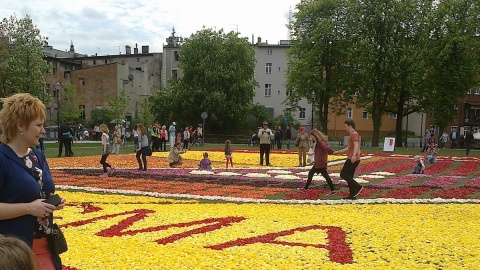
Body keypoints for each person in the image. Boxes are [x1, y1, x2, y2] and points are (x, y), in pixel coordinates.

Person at [0, 93, 66, 270]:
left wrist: (51, 203)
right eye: (38, 125)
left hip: (47, 246)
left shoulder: (39, 157)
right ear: (20, 125)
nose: (43, 131)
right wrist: (29, 208)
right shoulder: (2, 158)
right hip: (13, 254)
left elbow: (41, 192)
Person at [333, 119, 363, 200]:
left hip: (352, 158)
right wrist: (338, 152)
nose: (344, 128)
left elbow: (356, 145)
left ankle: (357, 186)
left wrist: (353, 155)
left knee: (343, 174)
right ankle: (352, 194)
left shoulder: (354, 134)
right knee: (349, 176)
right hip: (354, 158)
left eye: (345, 126)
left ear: (350, 126)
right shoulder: (352, 134)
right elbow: (349, 147)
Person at [300, 129, 335, 194]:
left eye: (311, 136)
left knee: (315, 174)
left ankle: (305, 189)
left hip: (320, 163)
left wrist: (333, 152)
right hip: (319, 162)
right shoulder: (318, 142)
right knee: (324, 176)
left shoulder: (320, 142)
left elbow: (326, 148)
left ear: (314, 135)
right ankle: (333, 190)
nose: (311, 138)